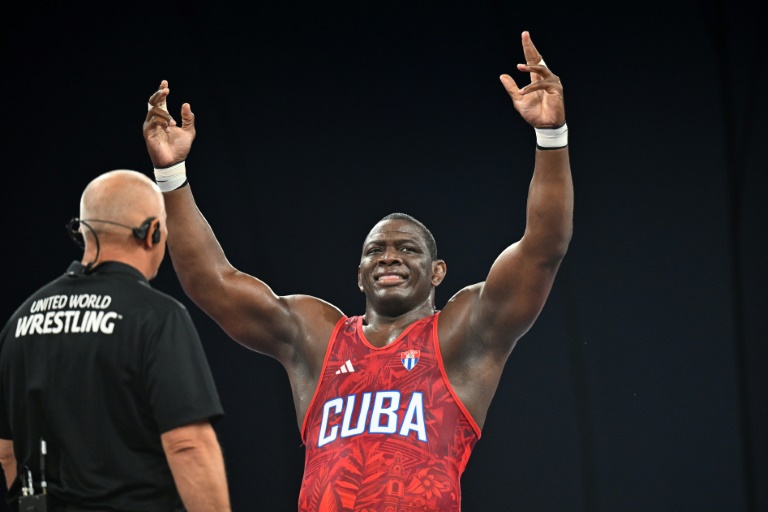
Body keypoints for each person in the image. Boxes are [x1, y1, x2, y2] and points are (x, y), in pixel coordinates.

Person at [143, 30, 572, 511]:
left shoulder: (462, 335)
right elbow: (214, 285)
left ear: (437, 272)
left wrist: (550, 136)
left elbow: (542, 249)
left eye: (407, 249)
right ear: (360, 273)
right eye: (375, 251)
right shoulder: (316, 338)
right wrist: (171, 176)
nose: (388, 257)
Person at [0, 170, 231, 511]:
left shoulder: (21, 321)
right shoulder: (157, 316)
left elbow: (7, 452)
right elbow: (188, 446)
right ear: (152, 232)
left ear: (82, 231)